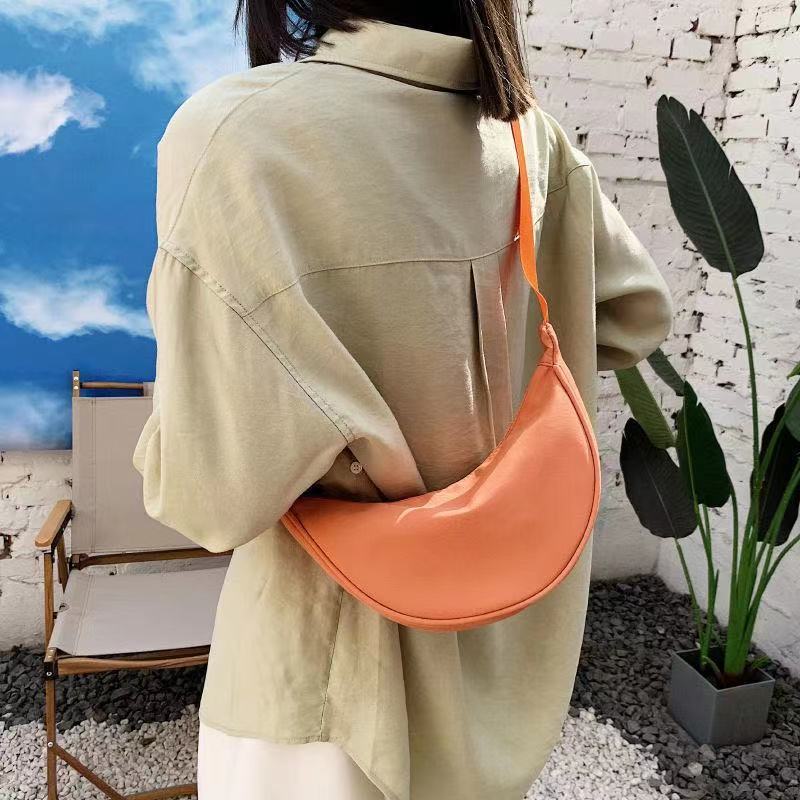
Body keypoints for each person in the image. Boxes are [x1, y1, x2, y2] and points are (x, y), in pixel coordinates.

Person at [132, 3, 674, 799]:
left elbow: (207, 498)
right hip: (500, 644)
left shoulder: (240, 135)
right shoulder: (530, 138)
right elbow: (635, 316)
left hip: (327, 686)